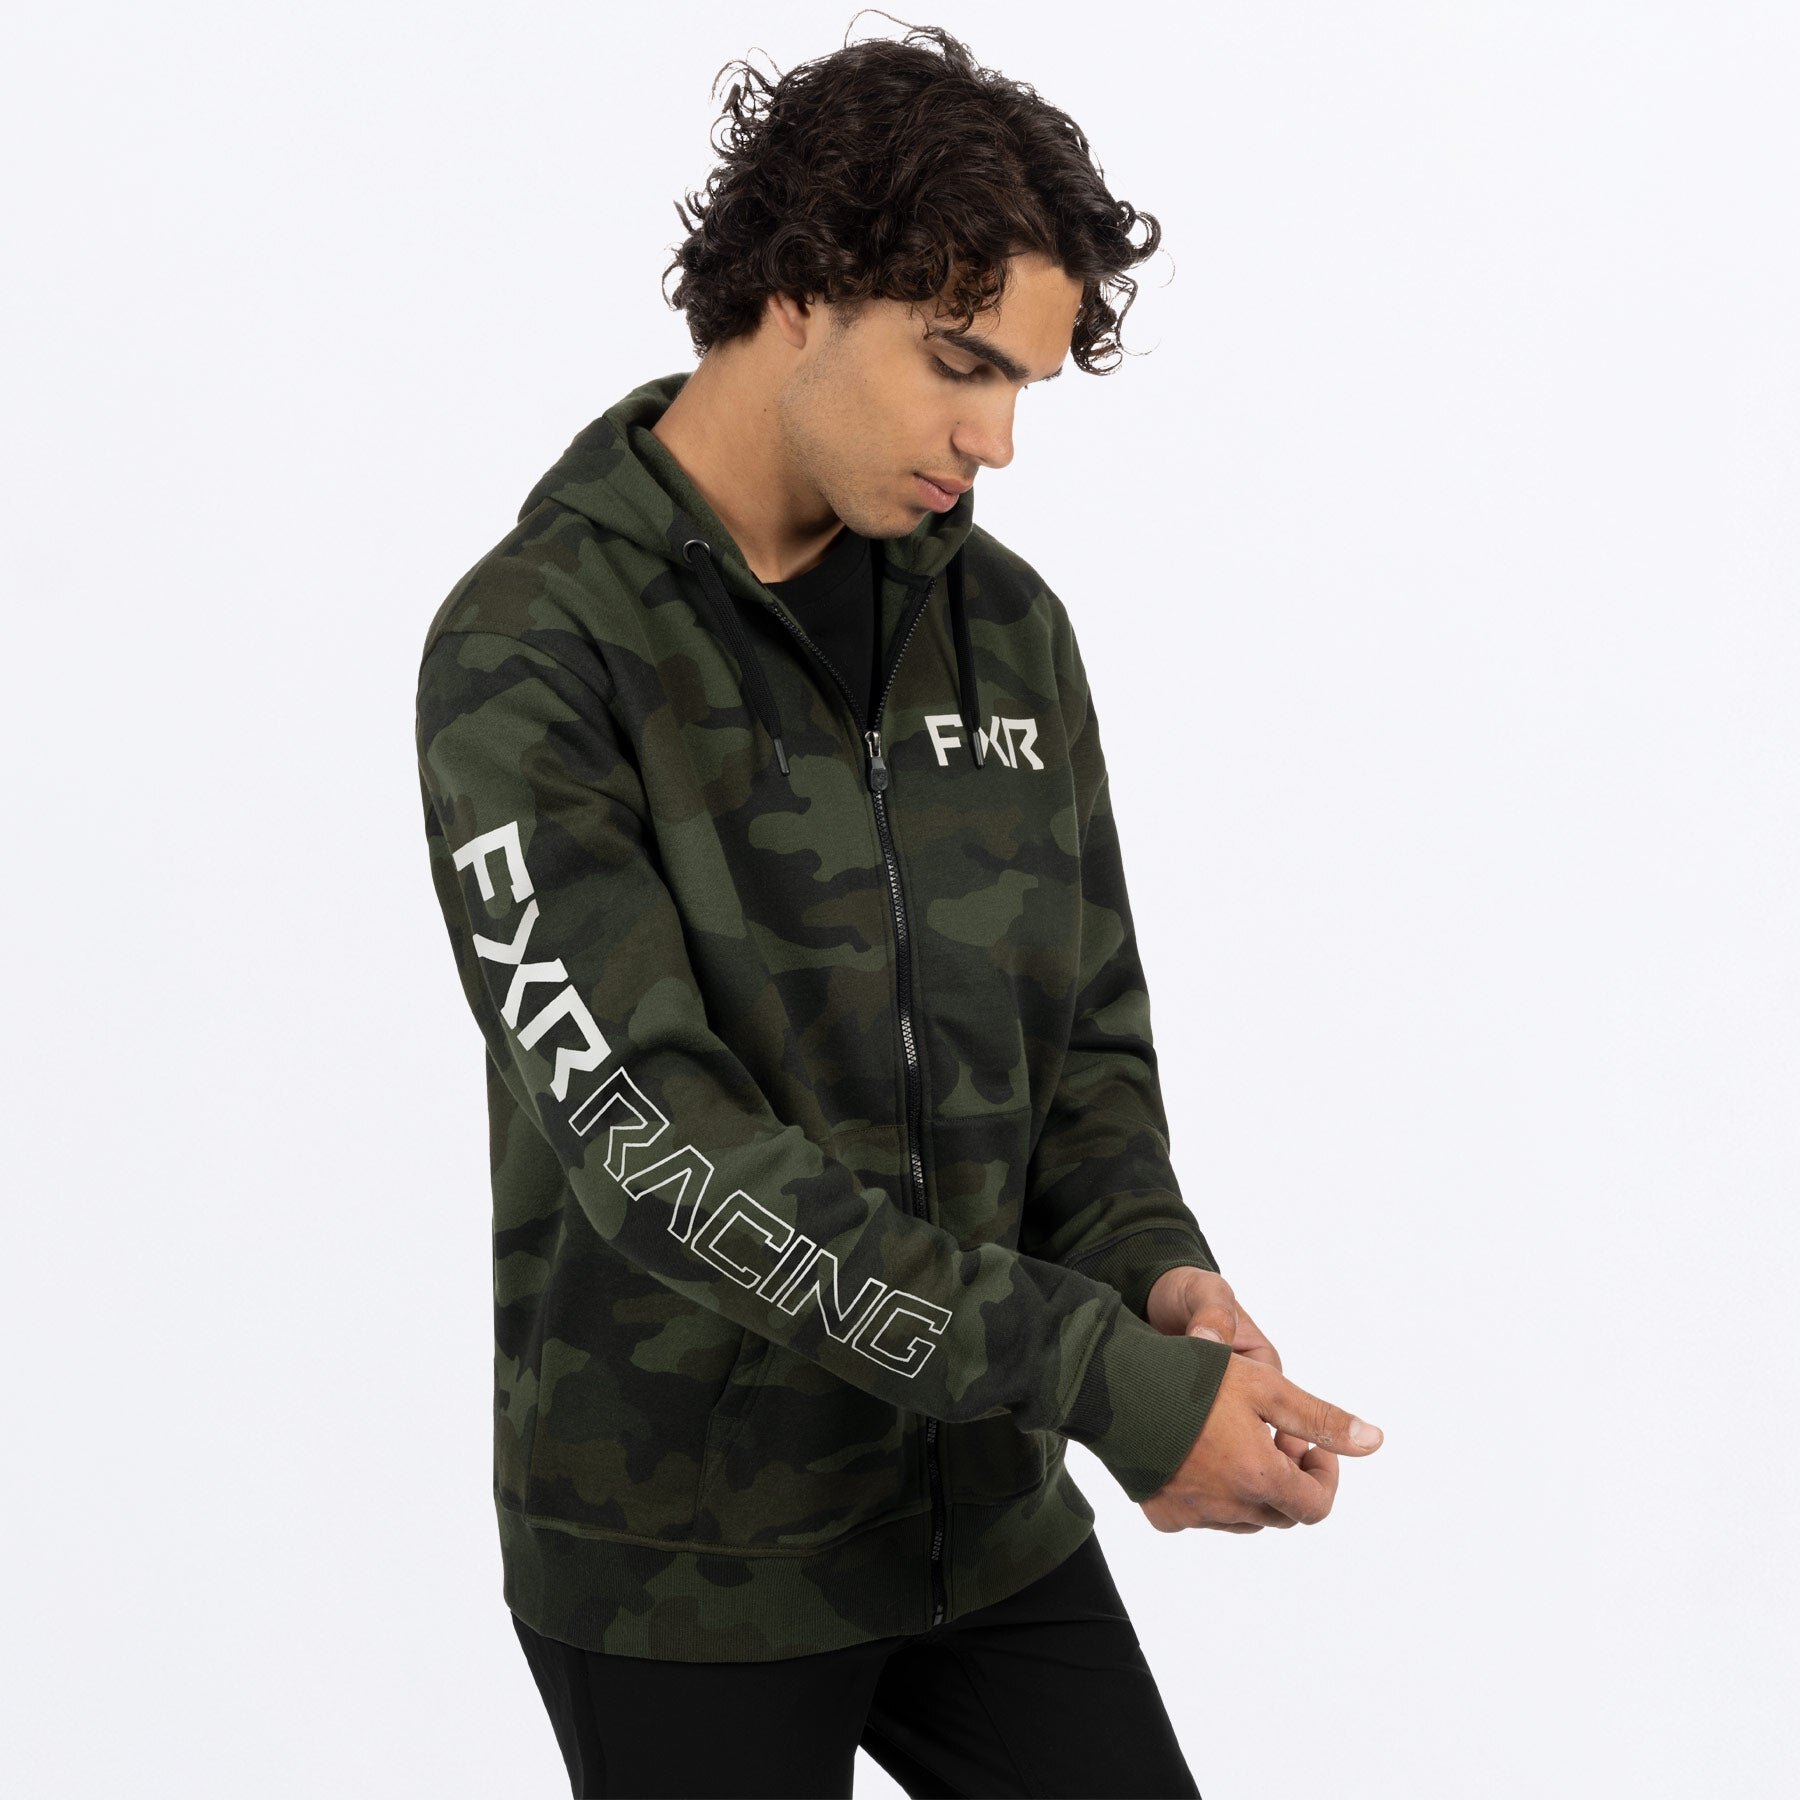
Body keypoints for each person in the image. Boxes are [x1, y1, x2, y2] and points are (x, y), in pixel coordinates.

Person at [413, 19, 1384, 1798]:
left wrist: (1154, 1278)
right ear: (796, 290)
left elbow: (1083, 1046)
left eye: (1024, 385)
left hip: (983, 1522)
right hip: (687, 1561)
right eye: (959, 364)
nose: (994, 439)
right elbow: (660, 1150)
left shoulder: (1003, 629)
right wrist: (1098, 1381)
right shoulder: (534, 651)